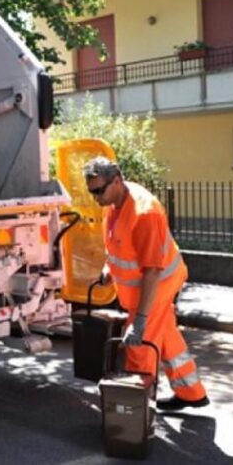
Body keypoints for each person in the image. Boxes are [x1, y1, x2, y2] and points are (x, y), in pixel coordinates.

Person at [83, 157, 209, 411]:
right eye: (91, 191)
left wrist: (139, 321)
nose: (95, 197)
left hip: (158, 285)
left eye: (99, 190)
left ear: (117, 181)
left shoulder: (144, 213)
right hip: (143, 287)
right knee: (166, 337)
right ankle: (191, 393)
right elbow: (120, 246)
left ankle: (136, 411)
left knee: (138, 345)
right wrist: (109, 269)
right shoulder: (115, 202)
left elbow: (152, 271)